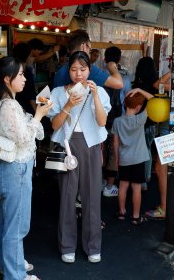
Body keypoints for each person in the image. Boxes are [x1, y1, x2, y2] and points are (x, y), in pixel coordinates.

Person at [0, 56, 52, 280]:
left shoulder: (5, 103)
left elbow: (35, 133)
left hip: (13, 168)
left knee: (9, 222)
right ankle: (15, 274)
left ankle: (9, 264)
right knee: (16, 225)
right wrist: (39, 115)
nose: (25, 78)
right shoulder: (9, 105)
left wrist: (36, 118)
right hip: (17, 169)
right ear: (7, 78)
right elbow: (25, 138)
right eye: (21, 74)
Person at [48, 51, 111, 264]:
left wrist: (93, 95)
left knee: (92, 195)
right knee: (67, 196)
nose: (78, 74)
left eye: (83, 70)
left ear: (89, 70)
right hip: (67, 145)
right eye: (73, 69)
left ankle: (93, 246)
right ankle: (67, 245)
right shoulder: (57, 92)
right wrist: (68, 105)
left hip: (91, 144)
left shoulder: (100, 91)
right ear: (68, 70)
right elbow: (54, 125)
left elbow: (102, 122)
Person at [113, 89, 153, 224]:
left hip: (124, 158)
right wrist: (140, 90)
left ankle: (122, 212)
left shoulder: (117, 121)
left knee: (123, 185)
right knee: (136, 187)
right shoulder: (140, 119)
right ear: (138, 106)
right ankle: (136, 216)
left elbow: (116, 142)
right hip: (139, 159)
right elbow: (153, 100)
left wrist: (117, 158)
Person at [102, 46, 131, 198]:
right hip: (117, 120)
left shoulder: (98, 76)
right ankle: (109, 186)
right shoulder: (125, 79)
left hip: (99, 120)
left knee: (100, 151)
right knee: (114, 152)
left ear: (105, 58)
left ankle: (99, 181)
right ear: (119, 59)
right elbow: (128, 101)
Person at [53, 29, 123, 89]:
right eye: (90, 51)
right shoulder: (88, 68)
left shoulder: (60, 71)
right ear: (83, 46)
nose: (78, 73)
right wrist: (112, 66)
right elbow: (118, 84)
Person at [145, 70, 171, 220]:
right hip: (169, 130)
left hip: (169, 131)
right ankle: (166, 206)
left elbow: (157, 84)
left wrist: (172, 69)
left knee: (161, 169)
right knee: (164, 169)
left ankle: (164, 208)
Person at [131, 56, 158, 189]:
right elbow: (155, 101)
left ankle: (138, 179)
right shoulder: (155, 85)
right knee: (147, 150)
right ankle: (145, 179)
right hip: (151, 122)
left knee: (137, 151)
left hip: (136, 121)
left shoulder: (136, 84)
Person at [13, 42, 37, 115]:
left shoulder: (11, 68)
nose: (24, 79)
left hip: (16, 107)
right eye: (30, 55)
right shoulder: (26, 71)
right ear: (26, 56)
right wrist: (37, 112)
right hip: (25, 109)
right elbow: (31, 95)